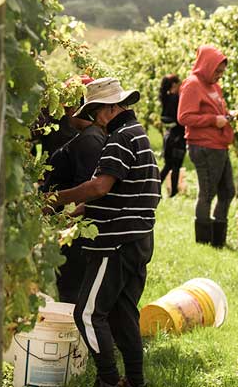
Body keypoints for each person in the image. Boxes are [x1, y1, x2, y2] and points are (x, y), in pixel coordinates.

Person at [52, 77, 160, 387]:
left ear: (110, 108)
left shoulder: (119, 138)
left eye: (97, 112)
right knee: (122, 314)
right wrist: (77, 212)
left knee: (86, 314)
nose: (94, 119)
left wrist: (56, 198)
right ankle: (136, 381)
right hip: (138, 239)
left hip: (116, 243)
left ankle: (109, 380)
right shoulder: (136, 134)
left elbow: (100, 186)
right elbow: (125, 188)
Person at [43, 88, 108, 304]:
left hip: (76, 225)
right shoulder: (88, 137)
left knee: (72, 281)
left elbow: (87, 186)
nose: (64, 111)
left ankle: (72, 327)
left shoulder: (89, 141)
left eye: (68, 106)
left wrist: (62, 211)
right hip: (72, 222)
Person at [177, 45, 238, 247]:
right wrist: (214, 120)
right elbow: (184, 117)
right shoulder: (193, 84)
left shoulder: (214, 86)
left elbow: (216, 111)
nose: (220, 75)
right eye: (217, 70)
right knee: (208, 192)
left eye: (222, 71)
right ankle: (205, 241)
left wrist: (229, 115)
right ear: (206, 65)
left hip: (219, 144)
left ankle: (218, 238)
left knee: (228, 191)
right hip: (204, 146)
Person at [158, 74, 186, 197]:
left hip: (169, 136)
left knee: (168, 165)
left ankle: (154, 187)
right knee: (176, 165)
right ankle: (173, 192)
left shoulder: (166, 98)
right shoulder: (177, 99)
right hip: (178, 136)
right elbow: (181, 119)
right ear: (174, 84)